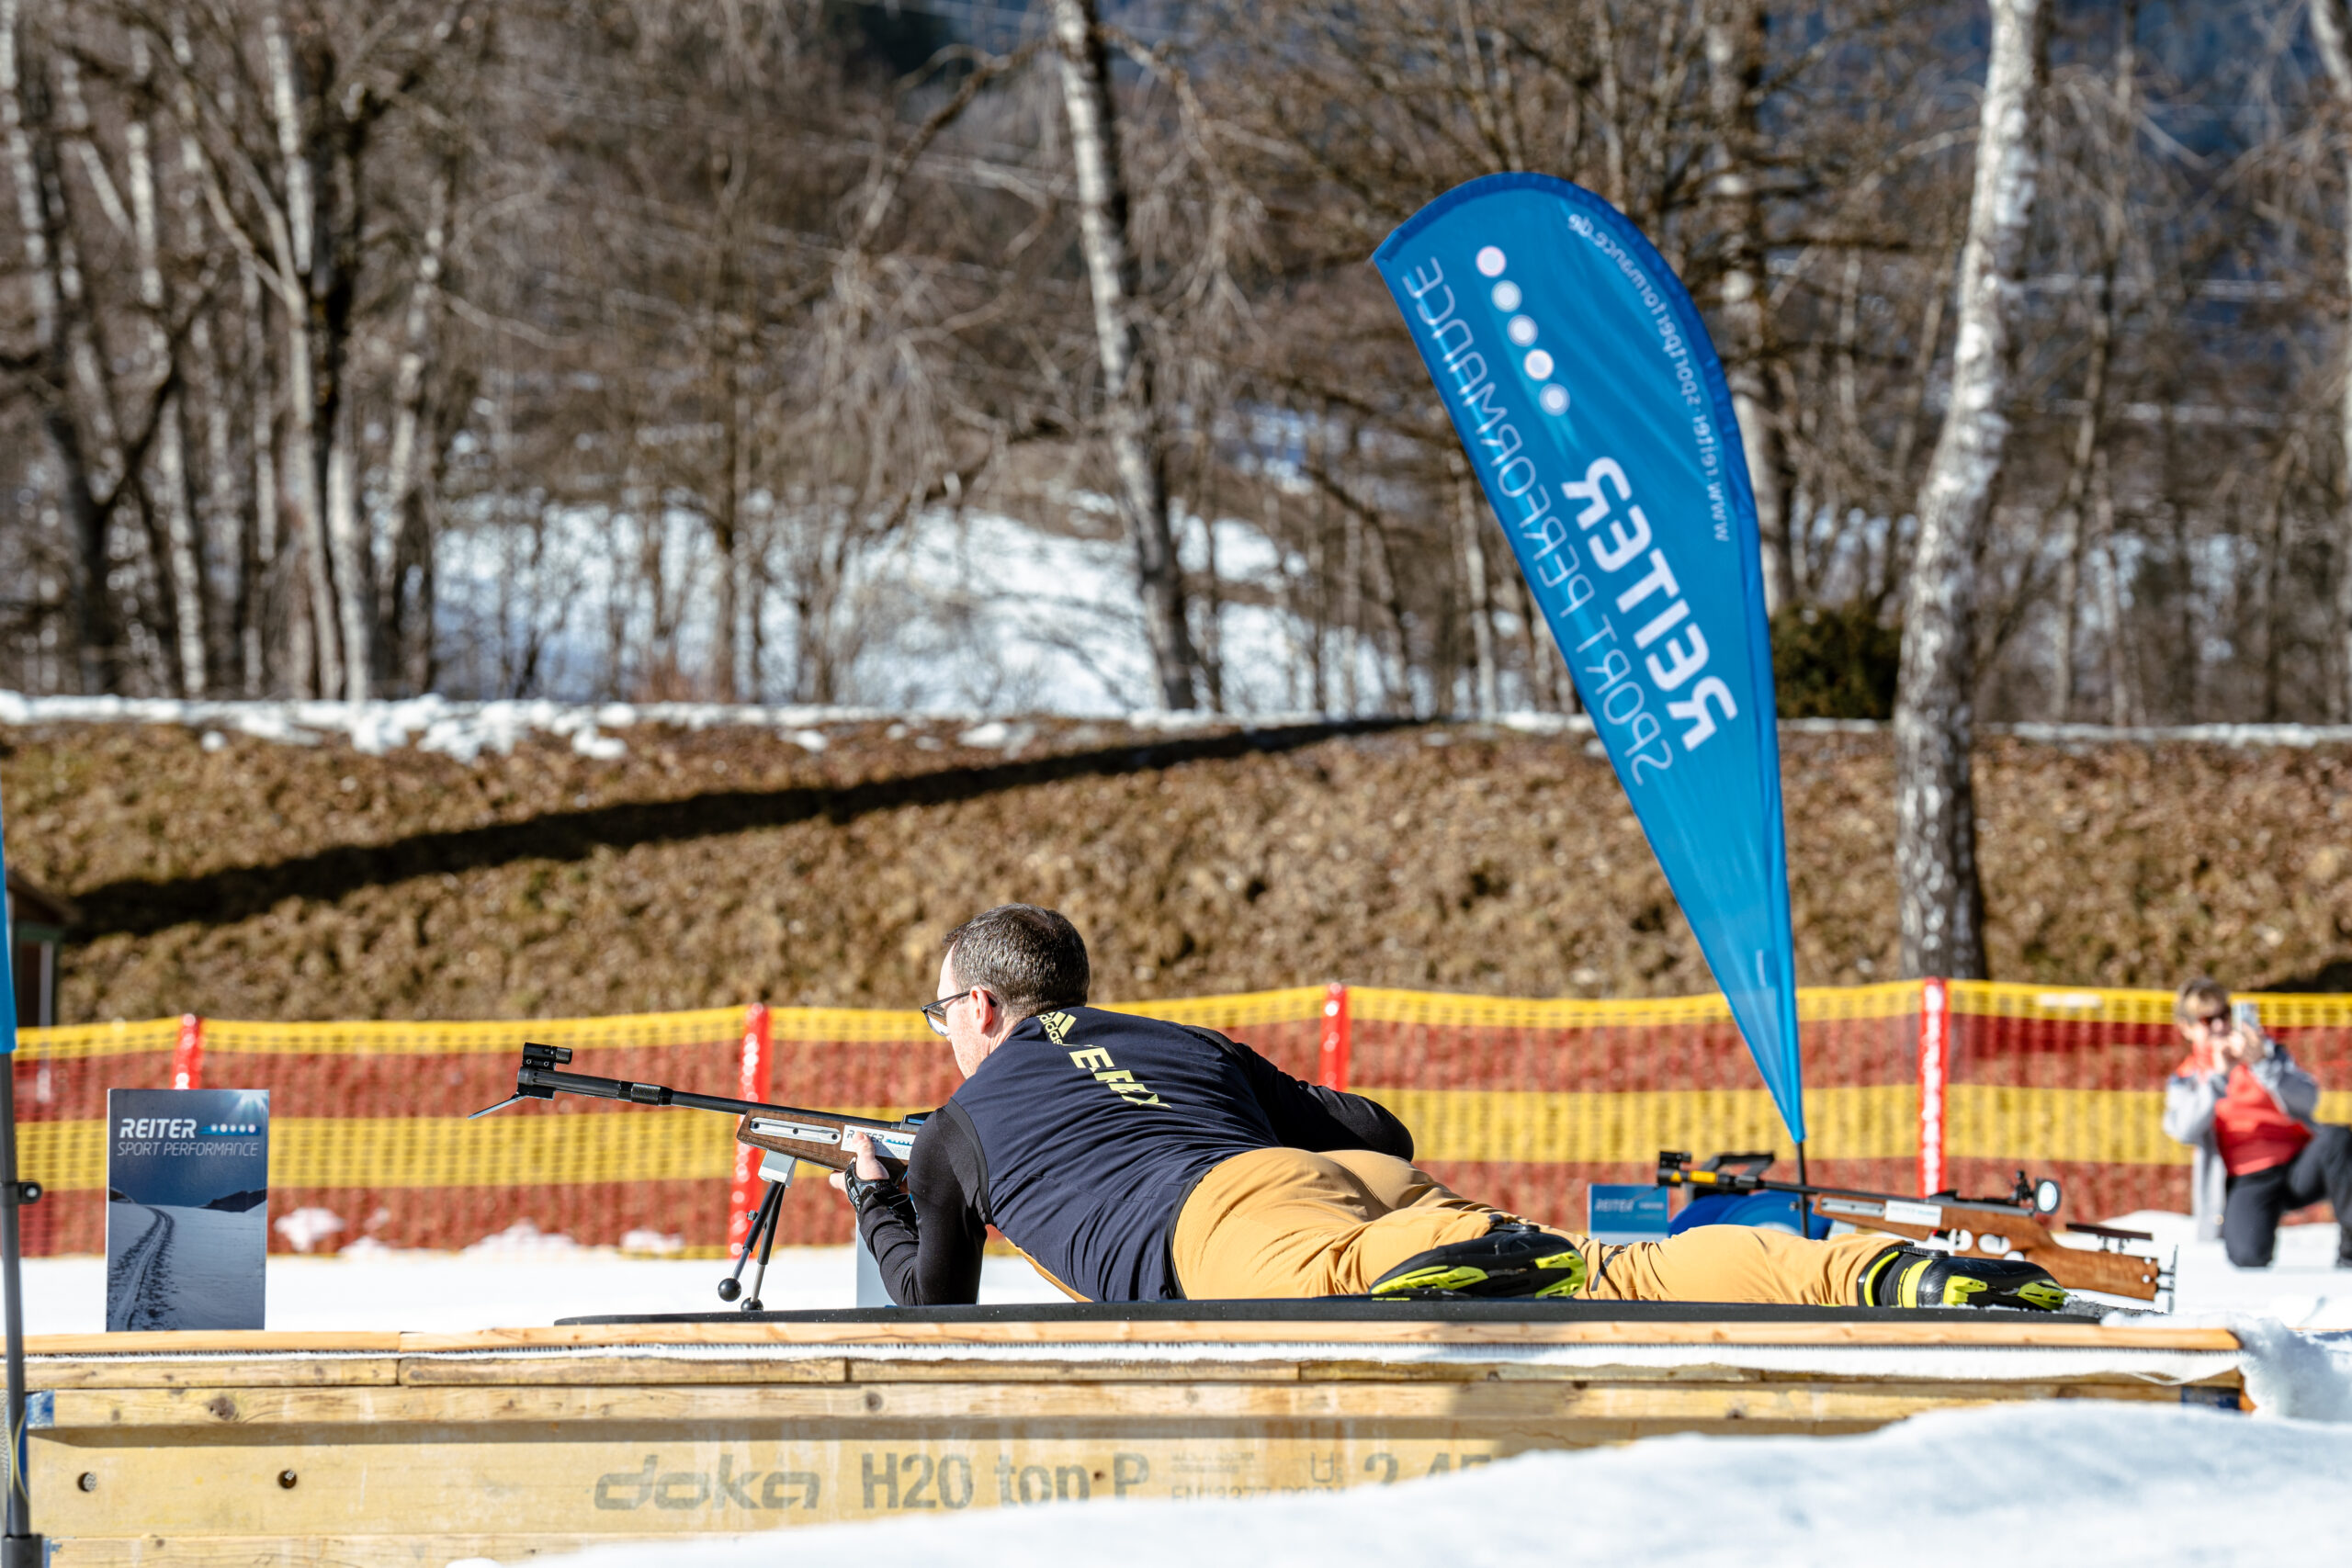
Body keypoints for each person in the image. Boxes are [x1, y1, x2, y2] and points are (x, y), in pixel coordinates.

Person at [829, 904, 2065, 1311]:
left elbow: (935, 1307)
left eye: (939, 1011)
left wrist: (875, 1200)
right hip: (1352, 1190)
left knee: (1409, 1273)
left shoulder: (956, 1127)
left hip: (1241, 1235)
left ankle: (1464, 1264)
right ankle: (1878, 1273)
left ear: (983, 1006)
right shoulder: (1175, 1040)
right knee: (1611, 1270)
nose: (941, 1033)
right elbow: (1377, 1132)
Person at [2162, 976, 2352, 1269]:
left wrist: (2263, 1064)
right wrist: (2218, 1077)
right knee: (2247, 1257)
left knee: (2338, 1138)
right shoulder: (2188, 1077)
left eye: (2224, 1016)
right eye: (2207, 1019)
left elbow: (2309, 1099)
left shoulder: (2268, 1054)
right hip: (2250, 1179)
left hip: (2298, 1168)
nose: (2219, 1026)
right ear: (2187, 1028)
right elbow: (2183, 1129)